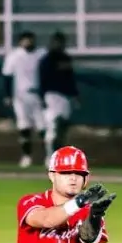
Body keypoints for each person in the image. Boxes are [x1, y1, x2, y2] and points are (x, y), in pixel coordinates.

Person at [1, 30, 48, 169]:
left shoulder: (42, 54)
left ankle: (48, 156)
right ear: (21, 42)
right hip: (20, 96)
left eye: (31, 39)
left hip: (38, 96)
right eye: (25, 40)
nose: (28, 42)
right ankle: (27, 156)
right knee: (24, 126)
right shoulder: (14, 56)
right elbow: (7, 76)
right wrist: (7, 95)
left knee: (43, 127)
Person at [38, 31, 80, 167]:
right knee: (54, 126)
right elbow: (42, 80)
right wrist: (42, 97)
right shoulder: (47, 59)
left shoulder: (66, 58)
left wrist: (75, 95)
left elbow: (70, 79)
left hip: (65, 96)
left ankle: (59, 156)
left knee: (63, 127)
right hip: (52, 95)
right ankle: (50, 157)